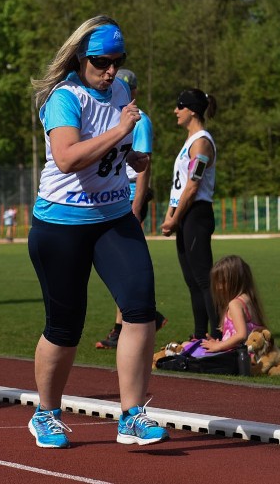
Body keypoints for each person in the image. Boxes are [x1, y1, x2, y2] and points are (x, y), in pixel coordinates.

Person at [26, 15, 169, 449]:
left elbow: (115, 154)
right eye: (101, 62)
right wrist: (120, 132)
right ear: (80, 59)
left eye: (117, 61)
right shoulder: (64, 98)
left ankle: (131, 415)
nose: (110, 71)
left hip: (113, 218)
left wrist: (133, 160)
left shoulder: (121, 90)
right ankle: (45, 413)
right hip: (61, 225)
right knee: (65, 327)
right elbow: (68, 158)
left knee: (140, 308)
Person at [95, 68, 165, 350]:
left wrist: (136, 207)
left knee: (123, 265)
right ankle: (121, 326)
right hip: (113, 196)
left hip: (129, 197)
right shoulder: (111, 116)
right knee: (116, 265)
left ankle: (136, 321)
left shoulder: (140, 120)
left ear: (133, 91)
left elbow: (144, 164)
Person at [161, 88, 220, 341]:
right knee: (192, 280)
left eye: (180, 106)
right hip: (185, 215)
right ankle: (199, 335)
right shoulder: (190, 141)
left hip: (197, 214)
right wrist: (170, 215)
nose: (175, 110)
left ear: (192, 110)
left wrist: (175, 217)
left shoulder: (202, 142)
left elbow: (193, 185)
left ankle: (219, 335)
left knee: (204, 279)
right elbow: (179, 186)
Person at [199, 255, 268, 353]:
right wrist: (219, 343)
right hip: (249, 355)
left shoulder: (235, 304)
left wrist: (219, 347)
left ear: (235, 281)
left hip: (238, 357)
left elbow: (241, 335)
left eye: (222, 282)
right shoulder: (248, 299)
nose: (218, 287)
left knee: (187, 346)